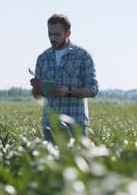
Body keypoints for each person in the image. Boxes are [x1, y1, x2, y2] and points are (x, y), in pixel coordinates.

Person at [30, 13, 99, 142]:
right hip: (50, 125)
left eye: (57, 35)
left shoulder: (83, 56)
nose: (52, 38)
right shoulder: (43, 58)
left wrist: (68, 92)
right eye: (50, 34)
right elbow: (37, 96)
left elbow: (93, 89)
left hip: (75, 125)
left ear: (68, 33)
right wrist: (37, 88)